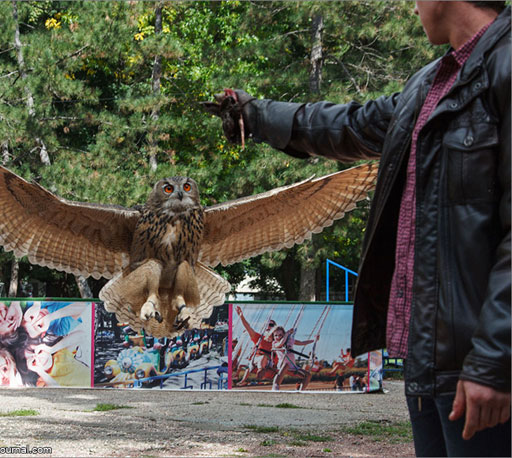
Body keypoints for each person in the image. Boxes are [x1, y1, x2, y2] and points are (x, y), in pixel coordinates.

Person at [207, 2, 510, 456]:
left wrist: (495, 360)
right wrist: (258, 114)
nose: (412, 4)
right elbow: (352, 125)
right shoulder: (430, 83)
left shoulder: (505, 66)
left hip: (483, 366)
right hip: (431, 362)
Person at [234, 306, 275, 386]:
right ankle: (245, 378)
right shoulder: (259, 338)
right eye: (267, 324)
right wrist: (241, 316)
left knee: (264, 358)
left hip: (268, 361)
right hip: (256, 359)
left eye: (271, 325)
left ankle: (259, 374)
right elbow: (248, 328)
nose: (268, 326)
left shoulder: (277, 340)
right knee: (249, 364)